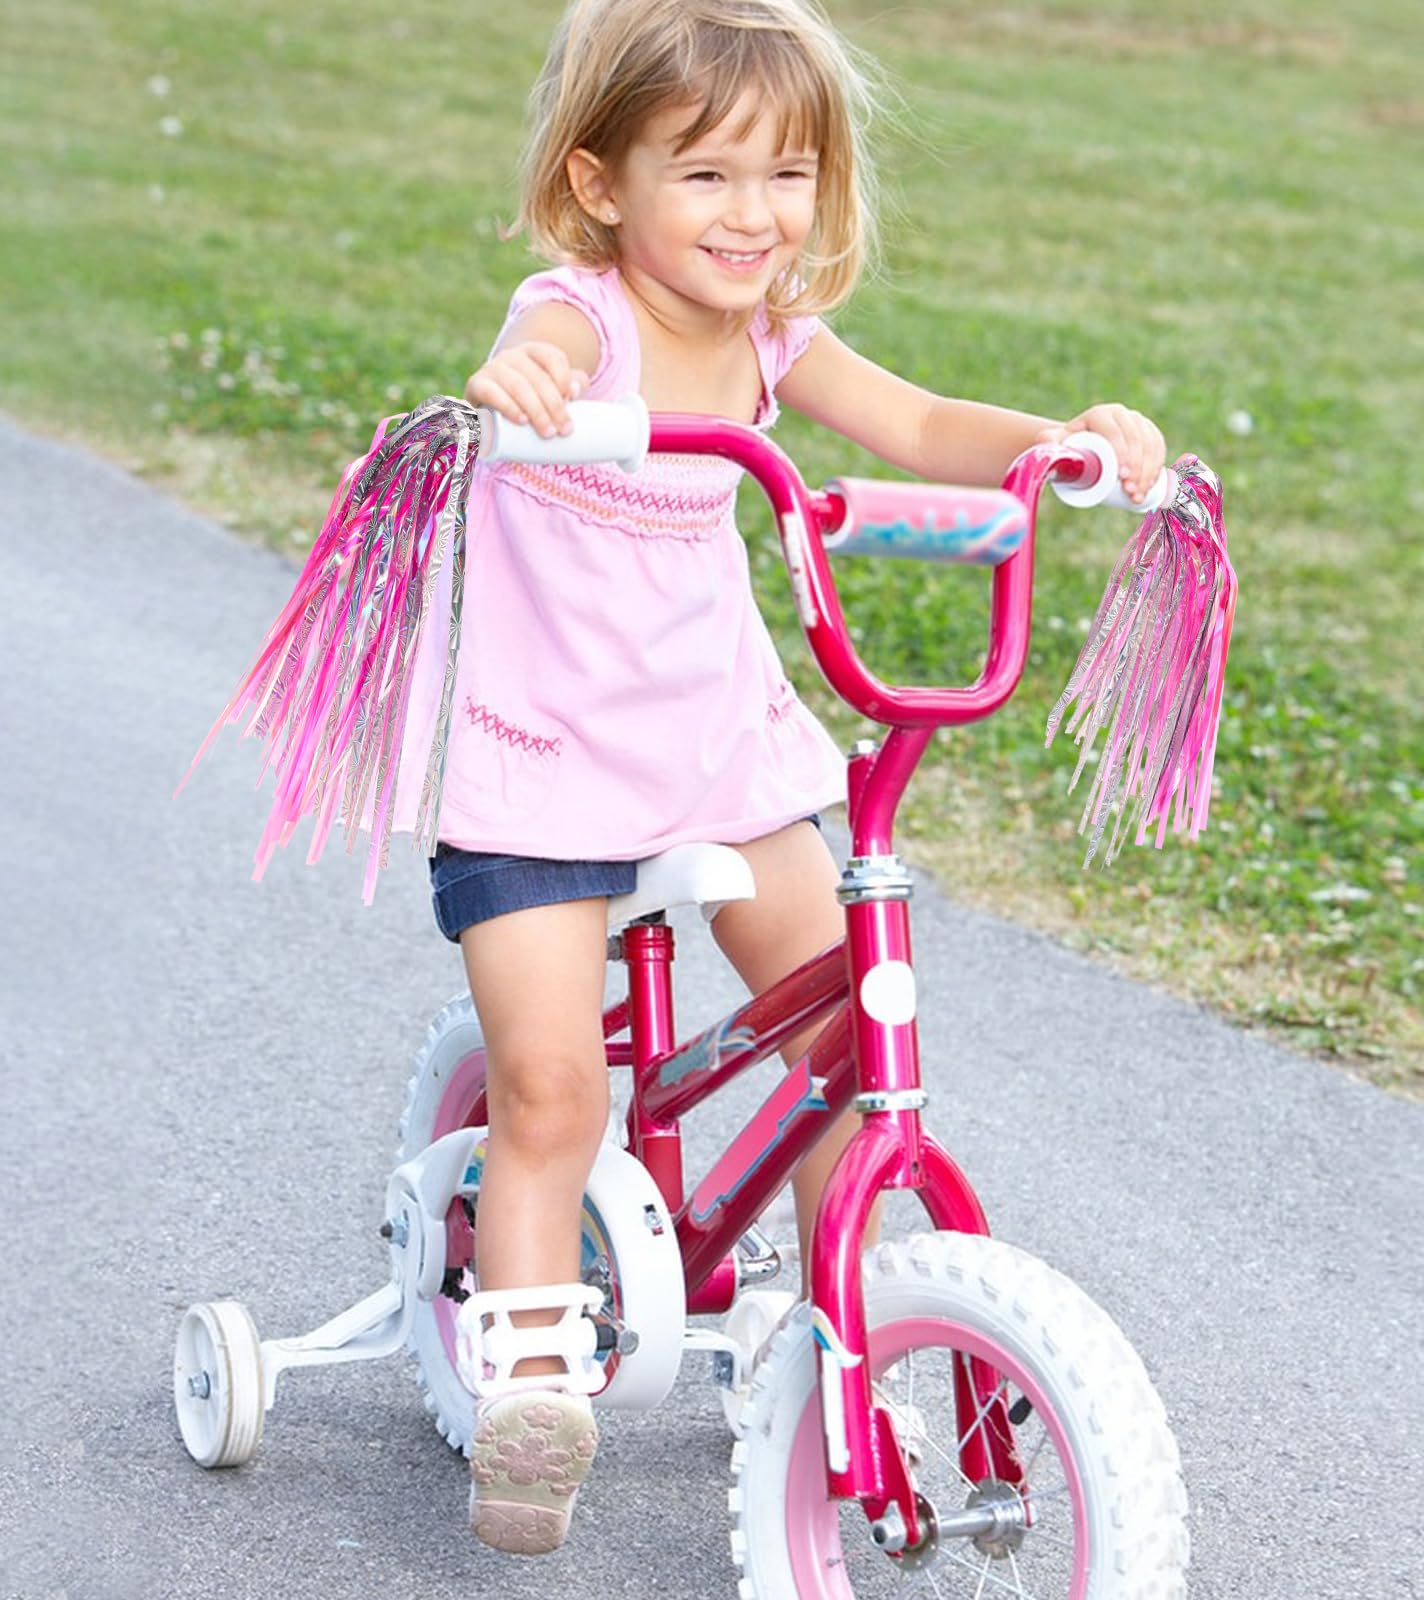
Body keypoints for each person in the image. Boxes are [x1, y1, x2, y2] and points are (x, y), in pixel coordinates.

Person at [433, 0, 1166, 1558]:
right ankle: (530, 1380)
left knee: (846, 1019)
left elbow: (912, 422)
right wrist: (524, 389)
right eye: (703, 176)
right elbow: (536, 353)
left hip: (718, 747)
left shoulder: (773, 339)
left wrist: (1063, 444)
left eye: (787, 176)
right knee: (556, 1089)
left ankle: (838, 1302)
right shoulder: (581, 314)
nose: (753, 215)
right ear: (603, 182)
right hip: (539, 755)